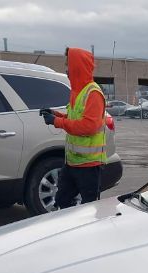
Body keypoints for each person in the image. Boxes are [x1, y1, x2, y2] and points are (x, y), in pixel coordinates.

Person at [41, 47, 106, 209]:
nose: (66, 69)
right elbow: (73, 119)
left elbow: (88, 126)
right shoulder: (78, 91)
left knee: (89, 209)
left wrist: (57, 122)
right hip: (72, 162)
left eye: (68, 64)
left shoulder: (93, 93)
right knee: (62, 201)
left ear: (77, 67)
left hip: (89, 166)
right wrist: (55, 115)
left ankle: (87, 233)